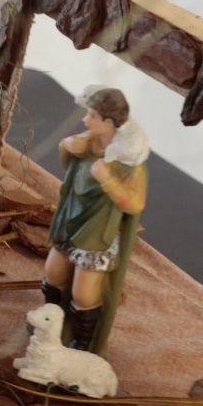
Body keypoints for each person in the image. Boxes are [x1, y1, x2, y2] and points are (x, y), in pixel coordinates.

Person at [42, 86, 148, 355]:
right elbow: (68, 167)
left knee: (84, 294)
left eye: (92, 116)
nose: (85, 120)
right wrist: (65, 145)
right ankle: (50, 324)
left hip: (97, 232)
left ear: (109, 122)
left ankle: (82, 341)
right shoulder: (87, 143)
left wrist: (108, 180)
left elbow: (135, 203)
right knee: (52, 274)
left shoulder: (127, 162)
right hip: (70, 221)